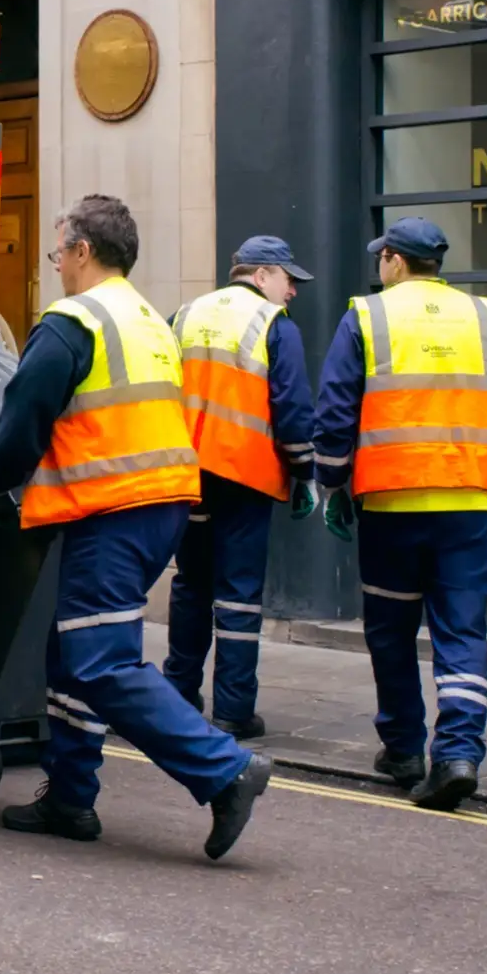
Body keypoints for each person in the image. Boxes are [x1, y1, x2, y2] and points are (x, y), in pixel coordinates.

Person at [0, 194, 274, 860]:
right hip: (156, 504)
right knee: (70, 651)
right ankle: (71, 797)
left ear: (82, 250)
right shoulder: (146, 319)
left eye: (57, 251)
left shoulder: (73, 320)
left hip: (114, 506)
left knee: (100, 660)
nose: (56, 264)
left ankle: (224, 771)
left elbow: (24, 413)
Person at [311, 216, 487, 812]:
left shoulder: (367, 315)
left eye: (380, 255)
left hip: (392, 502)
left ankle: (405, 749)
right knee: (462, 629)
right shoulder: (485, 316)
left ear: (394, 261)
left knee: (390, 629)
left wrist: (332, 485)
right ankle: (459, 754)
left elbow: (335, 411)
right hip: (467, 503)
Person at [162, 236, 320, 739]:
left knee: (191, 583)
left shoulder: (184, 314)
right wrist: (304, 472)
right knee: (237, 593)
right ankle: (233, 709)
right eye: (288, 278)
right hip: (243, 477)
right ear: (261, 275)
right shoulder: (274, 325)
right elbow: (293, 410)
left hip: (187, 474)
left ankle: (178, 694)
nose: (292, 290)